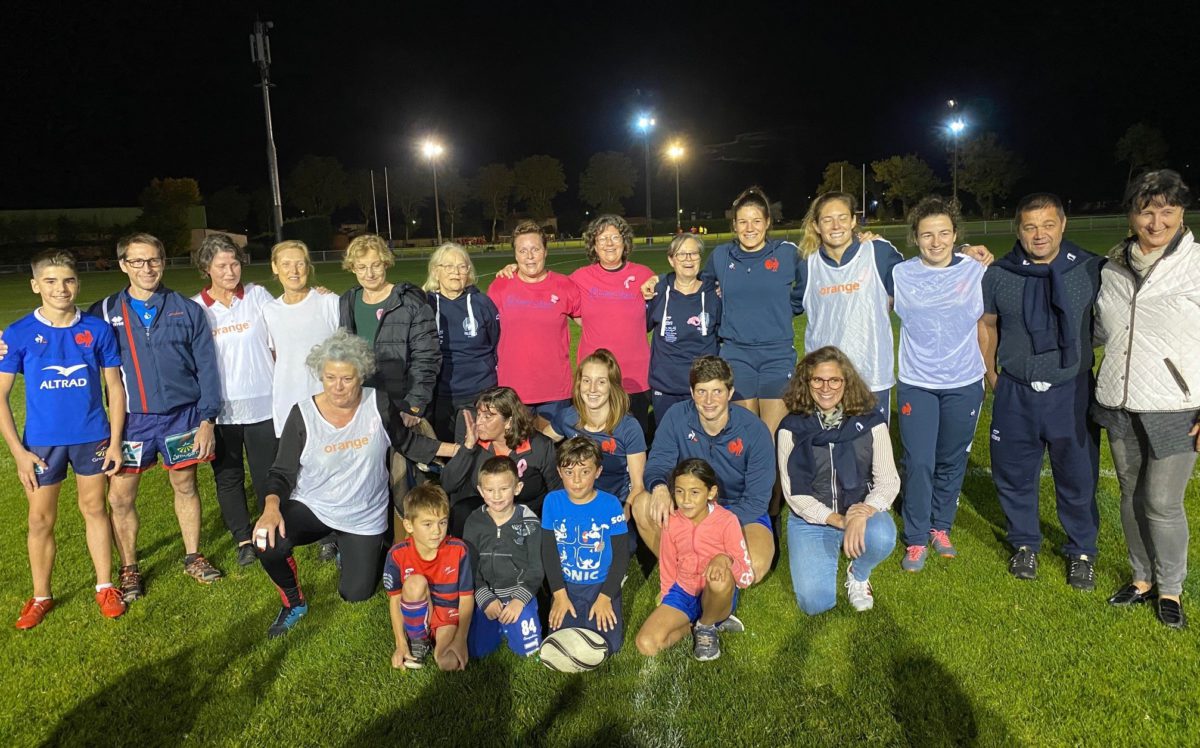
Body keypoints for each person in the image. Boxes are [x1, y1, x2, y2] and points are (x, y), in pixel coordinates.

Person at [253, 330, 466, 639]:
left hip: (363, 514)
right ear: (320, 375)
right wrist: (271, 507)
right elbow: (281, 472)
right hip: (314, 505)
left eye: (347, 379)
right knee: (265, 540)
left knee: (356, 593)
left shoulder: (377, 403)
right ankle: (294, 602)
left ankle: (345, 544)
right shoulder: (303, 414)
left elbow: (407, 442)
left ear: (361, 376)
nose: (338, 387)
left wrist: (460, 450)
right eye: (330, 377)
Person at [1093, 170, 1200, 629]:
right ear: (1131, 214)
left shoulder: (1195, 264)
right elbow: (1101, 328)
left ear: (1181, 213)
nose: (1156, 222)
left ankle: (1171, 588)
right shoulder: (1112, 267)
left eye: (1167, 211)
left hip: (1176, 406)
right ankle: (1141, 579)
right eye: (1146, 211)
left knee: (1162, 501)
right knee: (1130, 496)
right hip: (1118, 400)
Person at [91, 233, 224, 600]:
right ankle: (129, 568)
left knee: (185, 486)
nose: (147, 268)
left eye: (154, 260)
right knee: (120, 497)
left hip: (182, 417)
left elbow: (207, 368)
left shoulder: (187, 309)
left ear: (163, 262)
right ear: (123, 265)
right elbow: (66, 338)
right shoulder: (103, 312)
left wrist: (207, 418)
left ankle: (193, 555)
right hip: (131, 421)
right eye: (137, 261)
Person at [980, 193, 1102, 588]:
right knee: (1014, 473)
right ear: (1018, 229)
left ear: (1062, 225)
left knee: (1078, 476)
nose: (1039, 234)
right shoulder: (999, 273)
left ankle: (1081, 550)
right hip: (1016, 391)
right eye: (1030, 226)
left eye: (1048, 225)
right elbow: (988, 325)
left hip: (1071, 390)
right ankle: (1024, 543)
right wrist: (991, 374)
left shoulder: (1090, 268)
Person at [0, 250, 127, 628]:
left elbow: (115, 389)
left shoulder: (98, 330)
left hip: (92, 437)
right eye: (51, 281)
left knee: (95, 510)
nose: (61, 289)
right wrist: (18, 453)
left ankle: (104, 586)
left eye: (68, 280)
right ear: (36, 285)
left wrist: (116, 440)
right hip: (41, 444)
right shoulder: (18, 333)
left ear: (78, 283)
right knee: (40, 520)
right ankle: (41, 595)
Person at [892, 198, 987, 571]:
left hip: (964, 381)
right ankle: (916, 538)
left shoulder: (975, 269)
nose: (936, 242)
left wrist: (968, 253)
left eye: (944, 233)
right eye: (927, 234)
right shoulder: (900, 273)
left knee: (951, 459)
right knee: (918, 461)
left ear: (955, 235)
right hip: (917, 382)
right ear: (915, 238)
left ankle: (940, 526)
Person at [777, 346, 900, 614]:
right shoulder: (790, 428)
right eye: (818, 380)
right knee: (815, 604)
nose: (826, 387)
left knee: (882, 535)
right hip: (812, 520)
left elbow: (889, 481)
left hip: (860, 512)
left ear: (846, 382)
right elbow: (794, 495)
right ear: (806, 383)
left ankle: (858, 573)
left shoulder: (871, 422)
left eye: (834, 380)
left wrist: (862, 512)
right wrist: (841, 521)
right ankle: (834, 545)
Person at [632, 356, 775, 584]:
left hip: (738, 510)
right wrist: (659, 487)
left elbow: (757, 500)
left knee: (755, 565)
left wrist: (713, 524)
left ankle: (706, 574)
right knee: (642, 505)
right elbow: (658, 462)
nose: (709, 400)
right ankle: (684, 575)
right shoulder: (676, 416)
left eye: (717, 392)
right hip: (689, 503)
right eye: (701, 392)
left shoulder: (754, 430)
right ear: (691, 391)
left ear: (730, 393)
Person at [190, 234, 277, 568]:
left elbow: (284, 325)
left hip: (263, 404)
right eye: (221, 265)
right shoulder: (196, 308)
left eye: (235, 263)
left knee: (266, 473)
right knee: (228, 476)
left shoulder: (257, 296)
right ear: (206, 268)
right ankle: (243, 538)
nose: (230, 271)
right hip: (220, 410)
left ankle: (271, 527)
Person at [797, 192, 905, 419]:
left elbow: (920, 276)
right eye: (827, 220)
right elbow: (779, 301)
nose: (836, 226)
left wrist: (964, 251)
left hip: (872, 373)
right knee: (830, 451)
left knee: (873, 450)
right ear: (816, 225)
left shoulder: (878, 252)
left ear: (854, 221)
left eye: (842, 218)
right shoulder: (808, 263)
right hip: (825, 380)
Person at [634, 458, 754, 661]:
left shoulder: (727, 521)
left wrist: (726, 560)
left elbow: (746, 578)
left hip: (716, 591)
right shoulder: (671, 521)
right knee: (647, 644)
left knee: (719, 578)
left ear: (711, 493)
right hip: (684, 591)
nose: (686, 500)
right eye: (679, 491)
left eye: (695, 492)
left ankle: (707, 625)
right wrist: (666, 597)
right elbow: (668, 565)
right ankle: (694, 624)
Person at [338, 234, 441, 425]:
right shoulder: (347, 301)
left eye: (375, 265)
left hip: (401, 405)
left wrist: (414, 405)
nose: (369, 273)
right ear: (353, 268)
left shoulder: (410, 302)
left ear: (386, 263)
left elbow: (427, 358)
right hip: (362, 403)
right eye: (361, 267)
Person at [542, 437, 630, 656]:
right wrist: (559, 595)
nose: (577, 481)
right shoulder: (552, 501)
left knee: (608, 646)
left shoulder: (610, 505)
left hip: (599, 586)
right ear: (560, 473)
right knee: (561, 643)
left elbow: (621, 556)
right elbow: (549, 551)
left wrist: (605, 596)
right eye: (569, 473)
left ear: (598, 472)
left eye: (585, 472)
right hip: (566, 586)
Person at [569, 215, 657, 433]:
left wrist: (658, 279)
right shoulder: (579, 278)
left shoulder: (644, 274)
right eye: (602, 238)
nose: (609, 243)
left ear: (624, 242)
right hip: (596, 380)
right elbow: (551, 291)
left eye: (615, 237)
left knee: (635, 439)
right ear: (594, 245)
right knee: (597, 443)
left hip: (636, 376)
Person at [488, 221, 581, 421]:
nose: (529, 256)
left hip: (556, 391)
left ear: (545, 251)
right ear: (515, 255)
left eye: (535, 249)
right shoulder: (500, 286)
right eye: (522, 250)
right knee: (516, 450)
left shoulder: (565, 285)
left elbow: (591, 325)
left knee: (553, 450)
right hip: (512, 392)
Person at [440, 386, 561, 536]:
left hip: (528, 518)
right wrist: (468, 447)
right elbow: (447, 484)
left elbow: (557, 492)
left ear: (509, 421)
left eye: (488, 417)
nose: (479, 423)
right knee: (462, 511)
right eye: (478, 415)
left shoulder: (539, 446)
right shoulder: (474, 444)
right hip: (485, 515)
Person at [383, 484, 474, 670]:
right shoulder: (397, 555)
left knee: (448, 663)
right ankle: (417, 640)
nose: (437, 531)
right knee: (416, 583)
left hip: (447, 616)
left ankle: (439, 643)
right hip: (420, 604)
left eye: (442, 522)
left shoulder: (459, 550)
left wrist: (460, 639)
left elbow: (466, 598)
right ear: (409, 525)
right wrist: (400, 643)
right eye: (427, 524)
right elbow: (395, 600)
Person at [463, 456, 544, 659]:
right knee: (478, 652)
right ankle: (495, 626)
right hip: (487, 597)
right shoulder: (474, 521)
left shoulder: (530, 522)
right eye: (489, 490)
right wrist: (485, 599)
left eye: (504, 489)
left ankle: (518, 620)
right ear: (481, 491)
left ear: (518, 488)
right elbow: (470, 566)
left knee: (530, 652)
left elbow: (536, 567)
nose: (497, 496)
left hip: (519, 595)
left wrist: (519, 600)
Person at [543, 349, 647, 505]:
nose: (592, 389)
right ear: (579, 384)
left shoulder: (628, 427)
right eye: (586, 380)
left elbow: (638, 486)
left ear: (612, 386)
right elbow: (540, 445)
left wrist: (621, 514)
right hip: (576, 500)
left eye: (601, 382)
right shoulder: (567, 417)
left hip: (617, 502)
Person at [262, 239, 339, 440]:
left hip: (328, 401)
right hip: (288, 401)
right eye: (286, 264)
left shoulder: (329, 302)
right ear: (275, 267)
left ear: (308, 267)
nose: (293, 271)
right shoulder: (270, 311)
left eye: (300, 263)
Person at [423, 242, 500, 442]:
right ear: (435, 271)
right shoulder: (425, 305)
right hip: (440, 393)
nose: (456, 272)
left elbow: (495, 340)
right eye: (448, 267)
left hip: (479, 391)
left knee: (475, 451)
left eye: (462, 266)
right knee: (447, 451)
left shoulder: (482, 303)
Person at [645, 233, 721, 426]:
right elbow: (641, 326)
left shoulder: (714, 293)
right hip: (666, 386)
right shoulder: (659, 291)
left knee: (702, 444)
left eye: (693, 254)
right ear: (671, 259)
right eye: (682, 254)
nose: (688, 259)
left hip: (704, 387)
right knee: (669, 444)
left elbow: (722, 335)